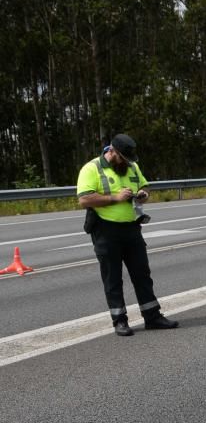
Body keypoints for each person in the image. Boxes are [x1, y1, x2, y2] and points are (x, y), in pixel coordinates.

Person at [76, 134, 179, 336]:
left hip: (132, 228)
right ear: (111, 151)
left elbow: (144, 186)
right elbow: (84, 199)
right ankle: (120, 321)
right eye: (123, 157)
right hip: (105, 230)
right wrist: (115, 198)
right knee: (112, 278)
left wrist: (143, 195)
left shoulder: (132, 166)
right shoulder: (91, 168)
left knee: (142, 274)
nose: (126, 162)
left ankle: (152, 317)